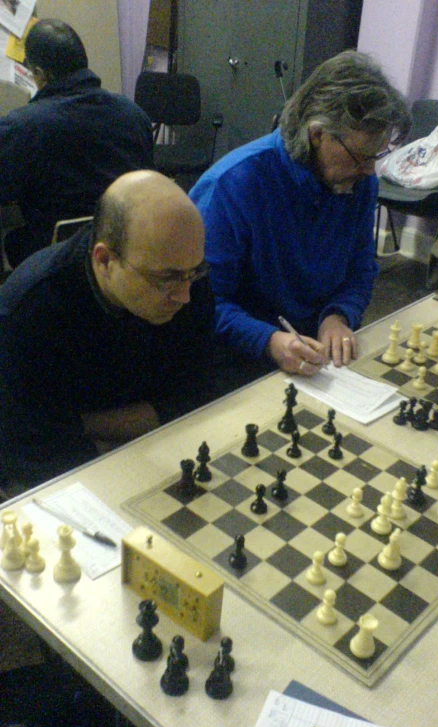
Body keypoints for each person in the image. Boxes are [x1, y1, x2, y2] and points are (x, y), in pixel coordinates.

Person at [190, 50, 410, 383]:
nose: (369, 171)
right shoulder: (233, 184)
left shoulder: (359, 181)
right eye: (361, 157)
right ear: (317, 134)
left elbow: (361, 268)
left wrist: (337, 316)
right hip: (241, 354)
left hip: (317, 354)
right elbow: (202, 304)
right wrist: (270, 340)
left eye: (375, 157)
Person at [0, 170, 218, 495]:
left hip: (158, 456)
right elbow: (28, 450)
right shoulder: (27, 313)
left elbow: (200, 390)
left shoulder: (182, 272)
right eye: (165, 279)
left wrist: (89, 425)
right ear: (104, 260)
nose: (185, 296)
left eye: (195, 271)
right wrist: (139, 422)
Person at [0, 18, 154, 268]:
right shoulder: (134, 115)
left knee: (15, 238)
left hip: (56, 260)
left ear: (39, 73)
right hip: (125, 252)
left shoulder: (23, 126)